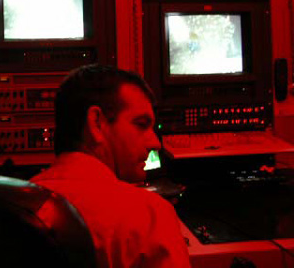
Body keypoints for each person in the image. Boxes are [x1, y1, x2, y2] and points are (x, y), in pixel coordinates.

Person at [30, 64, 191, 268]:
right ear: (96, 123)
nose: (155, 143)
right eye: (141, 124)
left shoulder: (14, 203)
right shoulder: (150, 215)